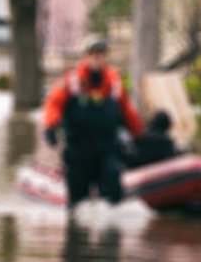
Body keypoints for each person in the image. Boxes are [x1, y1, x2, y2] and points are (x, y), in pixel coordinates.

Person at [42, 37, 144, 209]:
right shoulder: (71, 81)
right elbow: (54, 104)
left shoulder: (114, 82)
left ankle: (111, 231)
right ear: (86, 57)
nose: (98, 58)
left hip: (107, 148)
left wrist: (139, 135)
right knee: (77, 201)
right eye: (94, 54)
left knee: (113, 193)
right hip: (79, 150)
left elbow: (128, 111)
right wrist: (50, 126)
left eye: (101, 55)